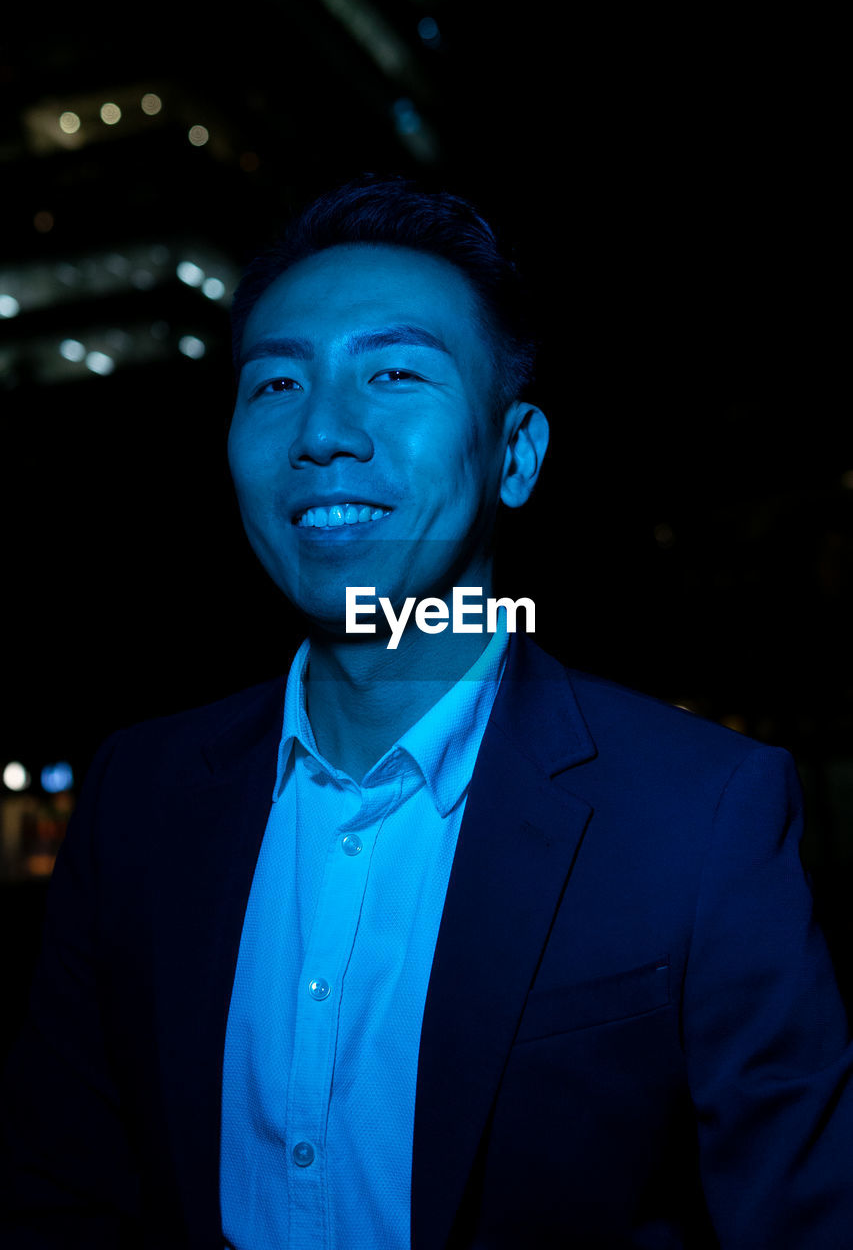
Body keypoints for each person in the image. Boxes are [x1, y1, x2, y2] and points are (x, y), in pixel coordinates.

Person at [2, 175, 852, 1250]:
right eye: (273, 384)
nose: (323, 431)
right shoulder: (139, 792)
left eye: (395, 372)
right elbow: (61, 1187)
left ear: (515, 453)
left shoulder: (700, 811)